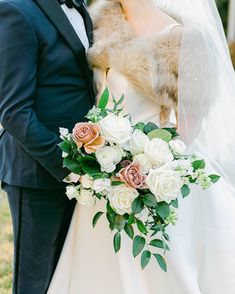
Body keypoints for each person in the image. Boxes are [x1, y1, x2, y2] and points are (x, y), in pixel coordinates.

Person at [48, 0, 235, 293]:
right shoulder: (98, 24)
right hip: (101, 173)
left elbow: (191, 123)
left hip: (153, 175)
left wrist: (149, 168)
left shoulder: (184, 41)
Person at [0, 0, 94, 293]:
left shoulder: (82, 10)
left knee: (65, 279)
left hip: (87, 169)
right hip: (39, 172)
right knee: (35, 282)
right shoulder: (16, 11)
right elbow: (14, 111)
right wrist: (69, 167)